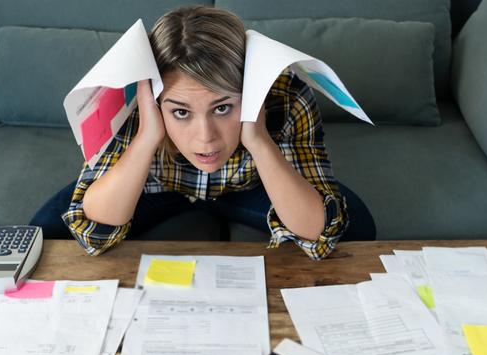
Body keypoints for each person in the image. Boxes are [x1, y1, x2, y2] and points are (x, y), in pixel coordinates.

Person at [30, 5, 376, 260]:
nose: (205, 138)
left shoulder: (286, 93)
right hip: (158, 187)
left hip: (248, 186)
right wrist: (148, 136)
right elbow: (95, 234)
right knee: (43, 231)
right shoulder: (134, 97)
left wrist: (258, 140)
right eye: (181, 112)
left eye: (222, 108)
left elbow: (318, 233)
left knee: (355, 224)